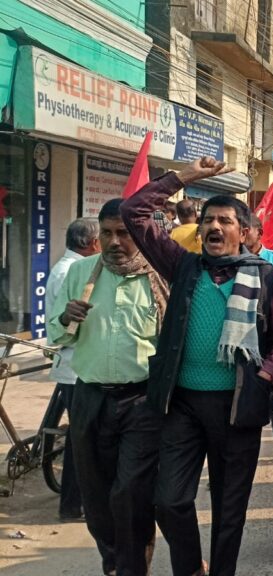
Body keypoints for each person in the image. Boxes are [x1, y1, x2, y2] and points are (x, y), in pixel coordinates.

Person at [122, 157, 273, 576]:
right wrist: (185, 177)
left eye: (225, 221)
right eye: (208, 220)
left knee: (229, 511)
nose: (215, 227)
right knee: (170, 500)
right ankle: (191, 568)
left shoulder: (265, 277)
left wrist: (264, 376)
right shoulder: (183, 266)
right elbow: (133, 211)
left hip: (237, 409)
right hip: (183, 405)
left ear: (244, 233)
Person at [48, 200, 168, 576]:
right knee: (96, 494)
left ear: (140, 235)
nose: (115, 241)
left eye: (124, 233)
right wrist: (65, 317)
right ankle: (114, 561)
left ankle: (132, 568)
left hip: (141, 401)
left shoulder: (159, 275)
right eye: (107, 233)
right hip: (89, 397)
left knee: (130, 491)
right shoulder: (81, 272)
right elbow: (57, 334)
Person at [44, 218, 100, 522]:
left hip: (76, 364)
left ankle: (77, 502)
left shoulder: (68, 267)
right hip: (75, 365)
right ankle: (72, 505)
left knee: (83, 438)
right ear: (92, 243)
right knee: (82, 441)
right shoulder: (73, 271)